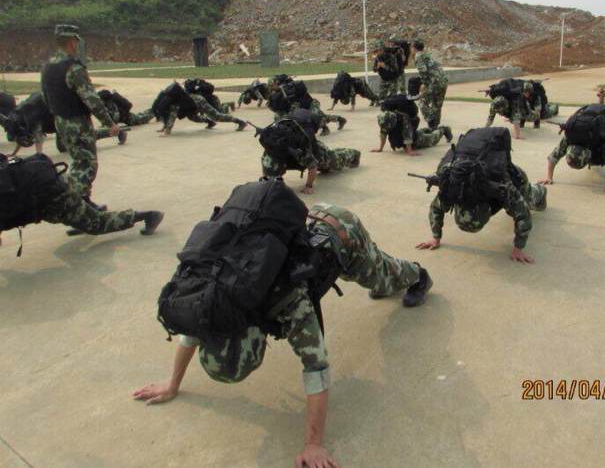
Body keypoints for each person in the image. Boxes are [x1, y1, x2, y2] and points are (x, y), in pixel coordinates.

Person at [133, 178, 433, 468]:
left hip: (342, 232)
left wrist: (313, 444)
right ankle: (387, 282)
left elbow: (316, 366)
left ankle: (419, 276)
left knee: (383, 275)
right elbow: (195, 331)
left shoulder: (286, 301)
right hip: (303, 225)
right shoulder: (219, 303)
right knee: (377, 281)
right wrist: (172, 384)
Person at [414, 127, 547, 263]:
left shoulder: (501, 188)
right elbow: (436, 208)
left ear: (488, 211)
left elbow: (523, 214)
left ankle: (541, 190)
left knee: (530, 199)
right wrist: (435, 238)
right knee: (513, 206)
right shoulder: (455, 190)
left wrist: (518, 248)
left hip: (513, 178)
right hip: (478, 163)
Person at [0, 153, 163, 247]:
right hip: (46, 183)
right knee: (78, 215)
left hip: (53, 196)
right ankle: (83, 213)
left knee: (97, 224)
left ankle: (147, 216)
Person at [40, 25, 120, 208]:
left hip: (61, 121)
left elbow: (44, 96)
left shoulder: (48, 67)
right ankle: (76, 206)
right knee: (87, 164)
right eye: (76, 40)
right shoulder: (73, 67)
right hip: (77, 123)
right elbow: (91, 99)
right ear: (71, 42)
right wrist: (109, 123)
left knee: (78, 162)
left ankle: (83, 201)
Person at [258, 108, 360, 194]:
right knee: (324, 170)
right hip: (298, 146)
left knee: (333, 161)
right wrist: (266, 179)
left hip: (312, 150)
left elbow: (313, 166)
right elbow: (268, 166)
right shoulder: (271, 146)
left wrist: (309, 186)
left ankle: (353, 154)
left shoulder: (299, 149)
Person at [371, 98, 452, 156]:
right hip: (412, 133)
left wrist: (409, 150)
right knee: (421, 132)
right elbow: (383, 134)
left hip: (416, 139)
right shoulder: (384, 120)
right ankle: (431, 129)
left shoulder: (403, 118)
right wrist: (380, 148)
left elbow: (407, 134)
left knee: (432, 139)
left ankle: (443, 129)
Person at [269, 78, 346, 136]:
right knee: (317, 117)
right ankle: (335, 121)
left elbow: (295, 107)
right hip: (302, 106)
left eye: (272, 85)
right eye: (270, 86)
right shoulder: (276, 94)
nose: (272, 88)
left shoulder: (287, 89)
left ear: (276, 83)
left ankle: (335, 122)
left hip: (311, 104)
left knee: (316, 117)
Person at [412, 40, 448, 129]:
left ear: (414, 48)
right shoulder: (426, 55)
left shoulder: (418, 56)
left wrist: (424, 84)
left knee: (422, 102)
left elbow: (423, 70)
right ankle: (436, 126)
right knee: (437, 104)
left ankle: (431, 121)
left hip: (434, 82)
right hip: (443, 81)